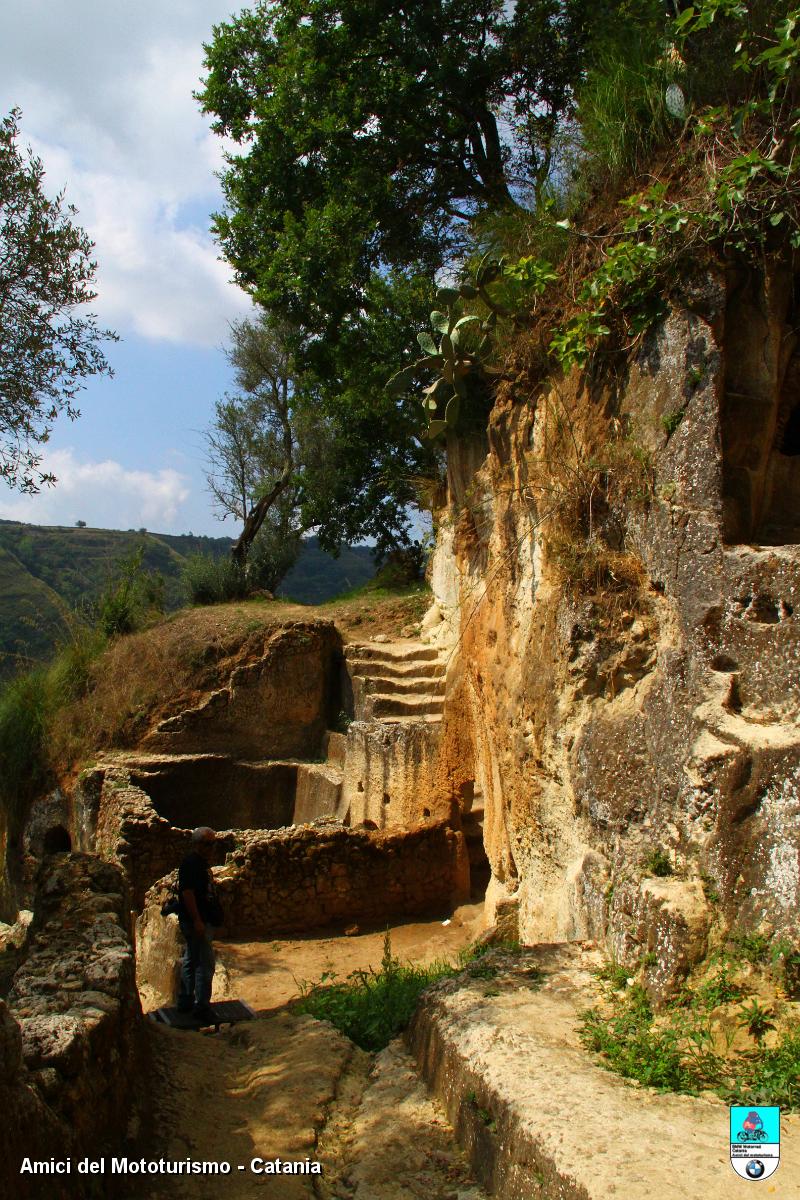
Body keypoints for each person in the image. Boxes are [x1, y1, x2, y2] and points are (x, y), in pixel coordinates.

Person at [176, 826, 222, 1022]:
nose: (211, 848)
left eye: (213, 843)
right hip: (196, 921)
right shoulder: (191, 864)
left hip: (196, 920)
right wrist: (197, 920)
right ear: (196, 844)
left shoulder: (199, 863)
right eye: (207, 844)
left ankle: (186, 1001)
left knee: (191, 959)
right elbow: (187, 892)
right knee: (205, 963)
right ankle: (202, 1006)